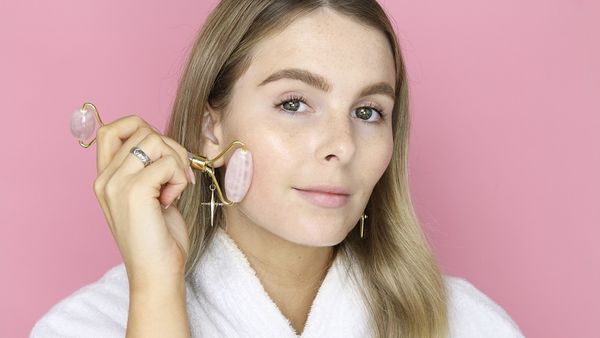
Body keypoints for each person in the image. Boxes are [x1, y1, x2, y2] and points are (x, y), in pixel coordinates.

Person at [31, 0, 525, 337]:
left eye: (368, 111)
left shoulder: (465, 323)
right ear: (211, 127)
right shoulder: (90, 324)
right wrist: (158, 288)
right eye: (293, 103)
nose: (341, 146)